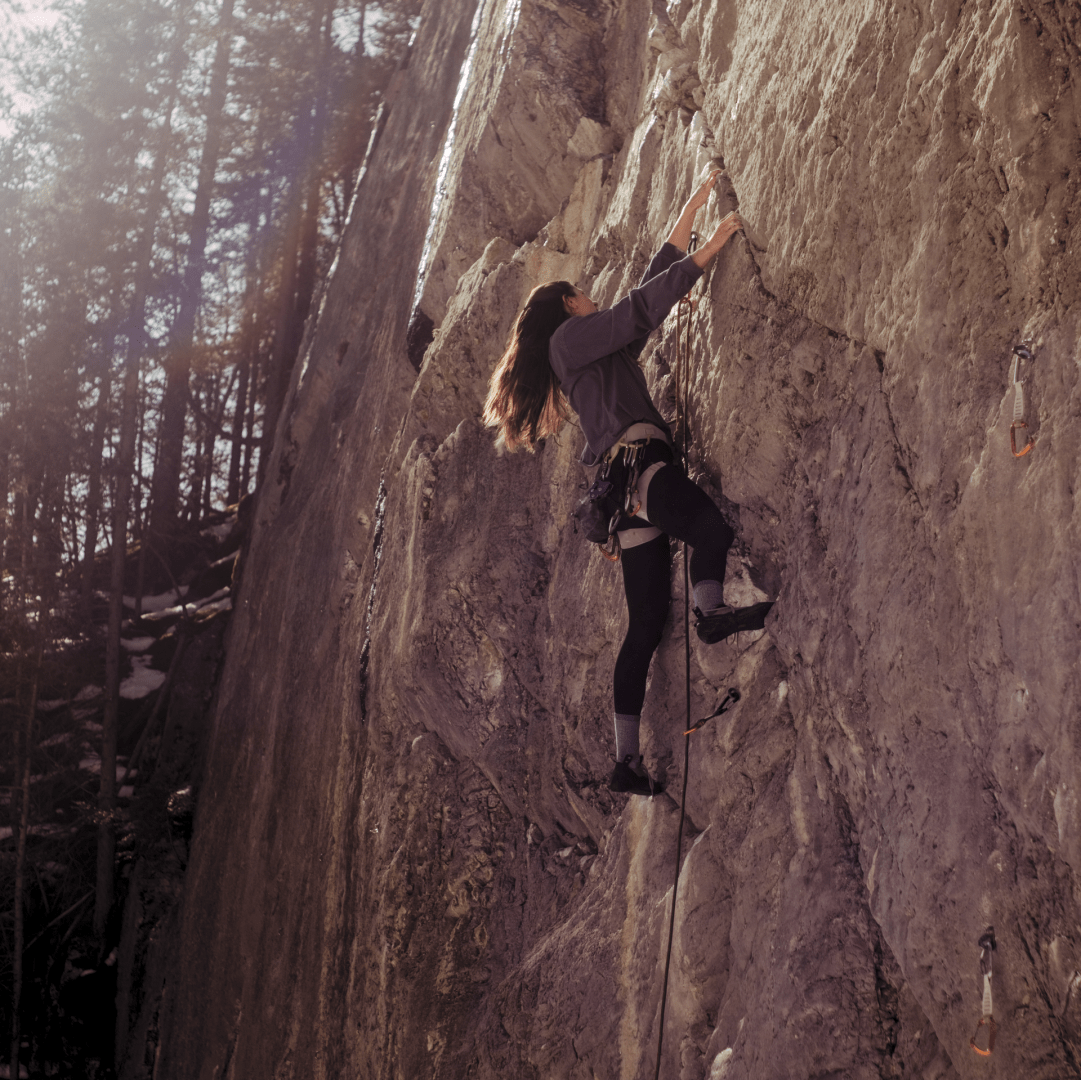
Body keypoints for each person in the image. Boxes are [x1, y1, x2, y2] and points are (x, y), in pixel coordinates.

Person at [483, 170, 773, 797]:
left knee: (644, 624)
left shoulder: (594, 352)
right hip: (641, 469)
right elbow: (639, 305)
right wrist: (713, 248)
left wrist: (694, 205)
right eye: (583, 294)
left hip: (625, 495)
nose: (592, 299)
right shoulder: (569, 339)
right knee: (710, 528)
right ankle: (712, 614)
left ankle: (625, 762)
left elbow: (644, 293)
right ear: (567, 306)